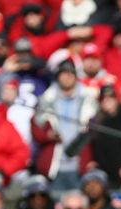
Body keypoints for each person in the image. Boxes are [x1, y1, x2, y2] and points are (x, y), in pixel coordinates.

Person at [34, 62, 97, 191]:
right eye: (63, 74)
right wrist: (47, 135)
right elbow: (35, 127)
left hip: (80, 166)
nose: (67, 77)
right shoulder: (47, 99)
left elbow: (96, 132)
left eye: (70, 74)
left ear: (76, 76)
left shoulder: (88, 100)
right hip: (54, 166)